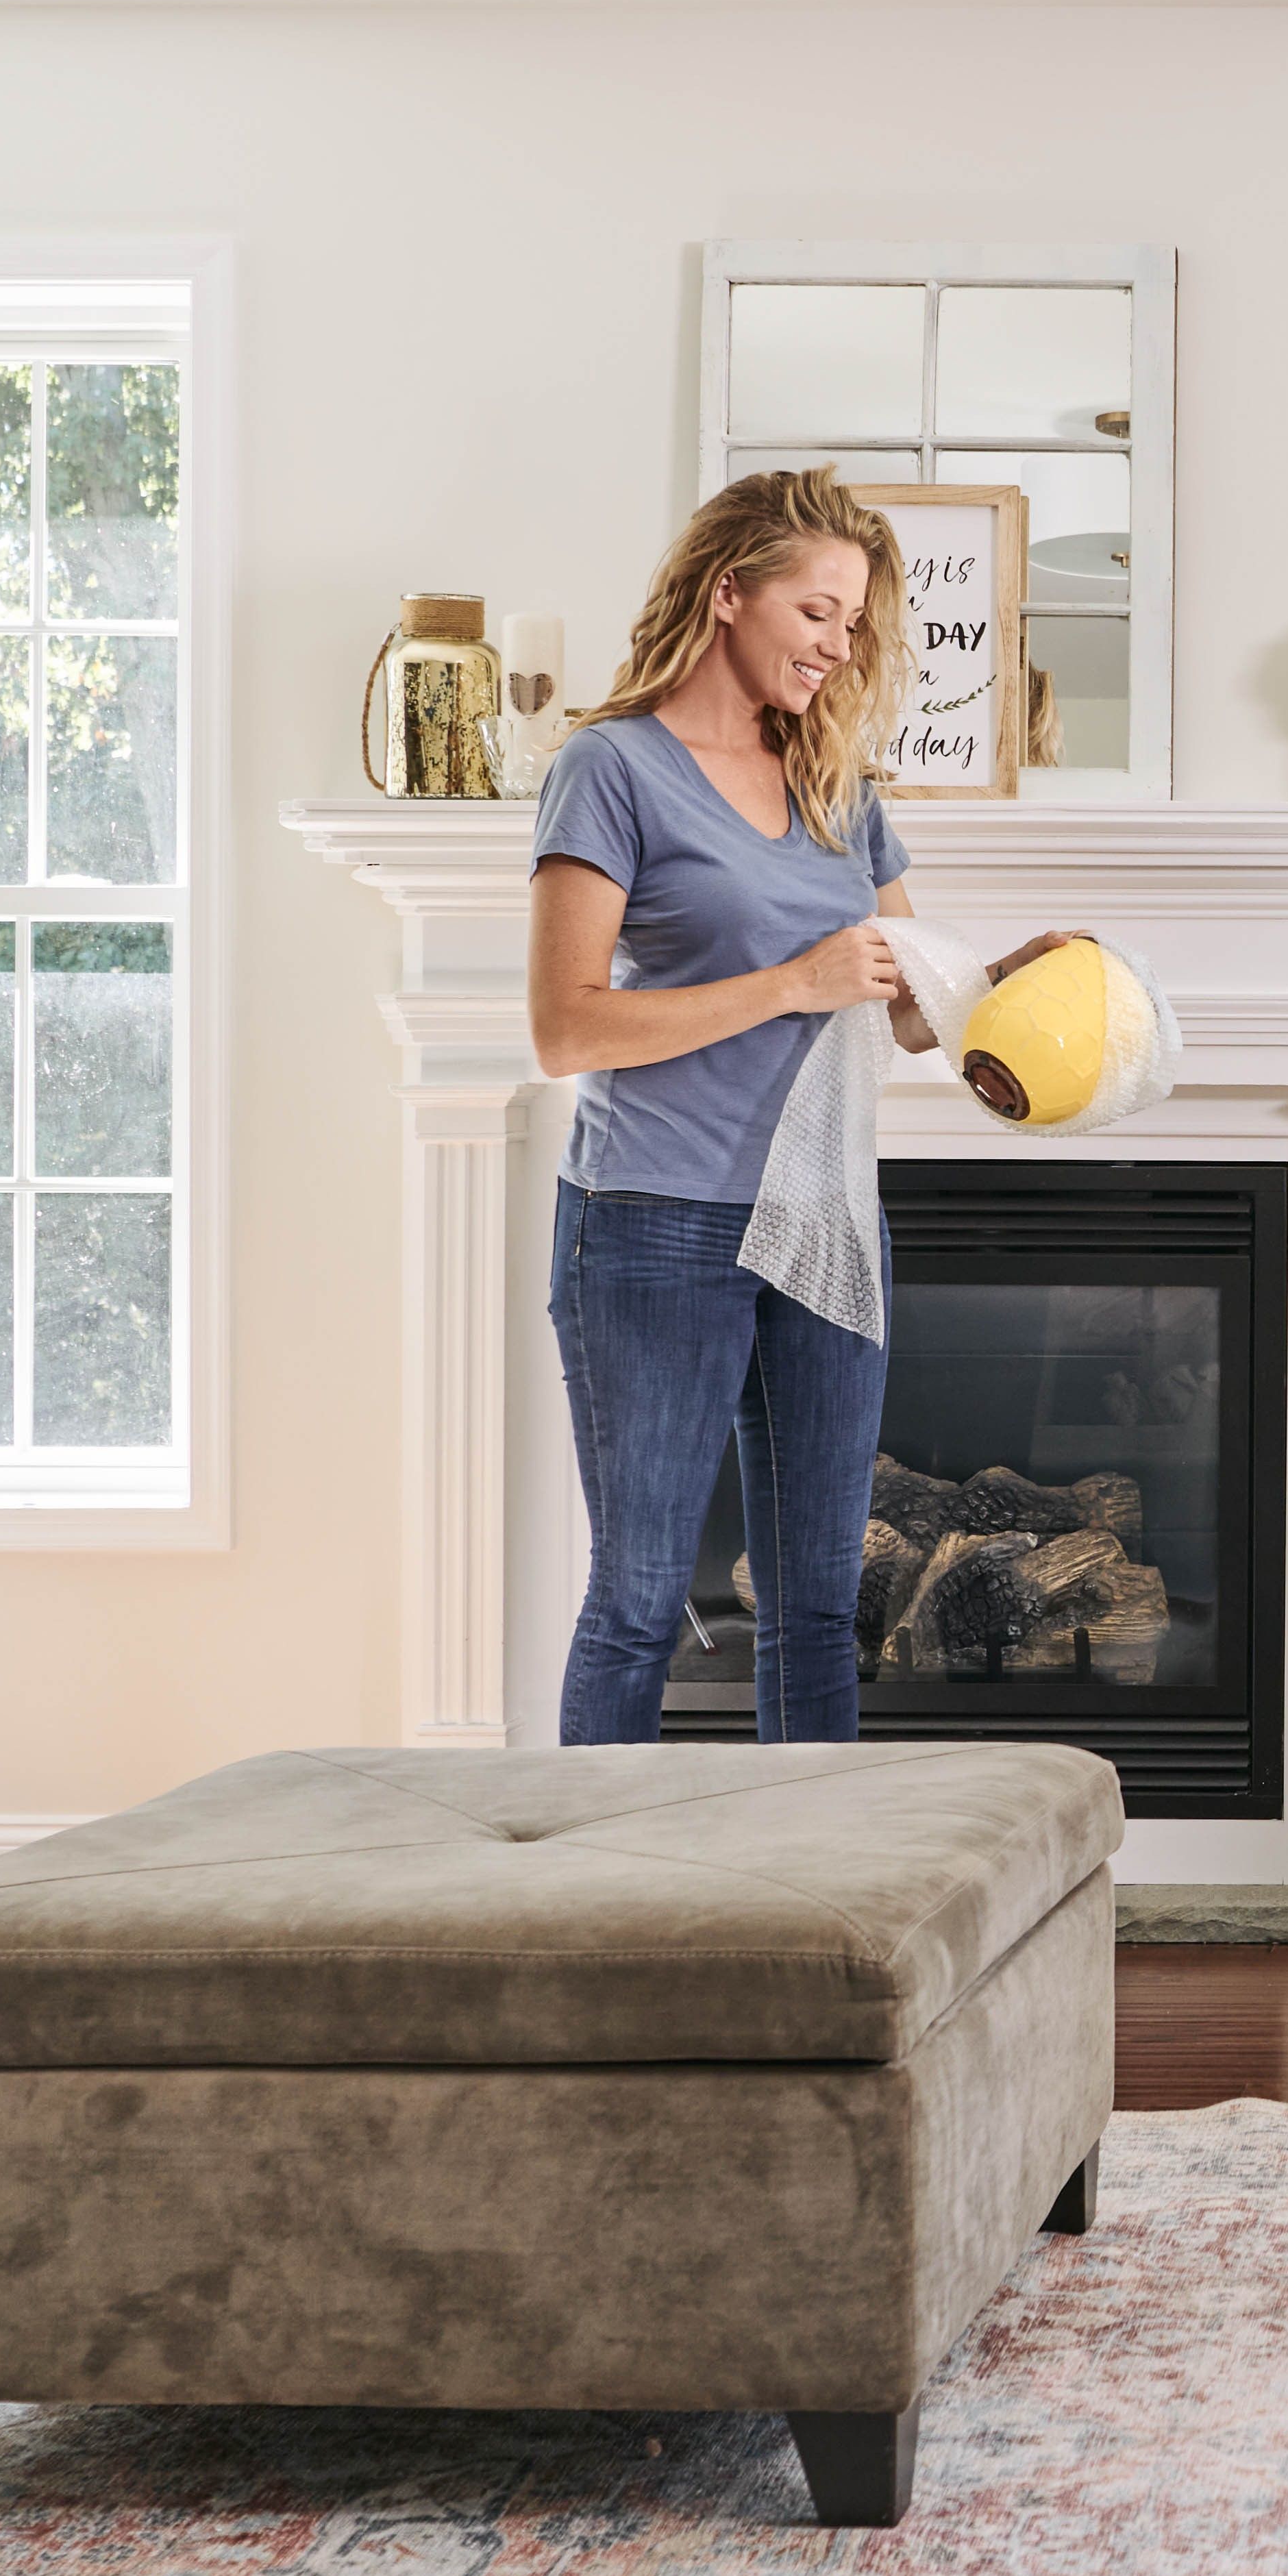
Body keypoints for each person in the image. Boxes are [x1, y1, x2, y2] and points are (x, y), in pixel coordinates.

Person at [524, 469, 930, 1746]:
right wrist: (792, 984)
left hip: (823, 1223)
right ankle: (595, 1919)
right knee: (641, 1603)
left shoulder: (835, 783)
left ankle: (817, 1917)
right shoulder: (612, 768)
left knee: (819, 1605)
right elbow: (566, 1026)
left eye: (853, 624)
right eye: (818, 611)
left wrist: (1027, 996)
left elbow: (914, 1008)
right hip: (655, 1224)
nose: (837, 645)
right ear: (727, 594)